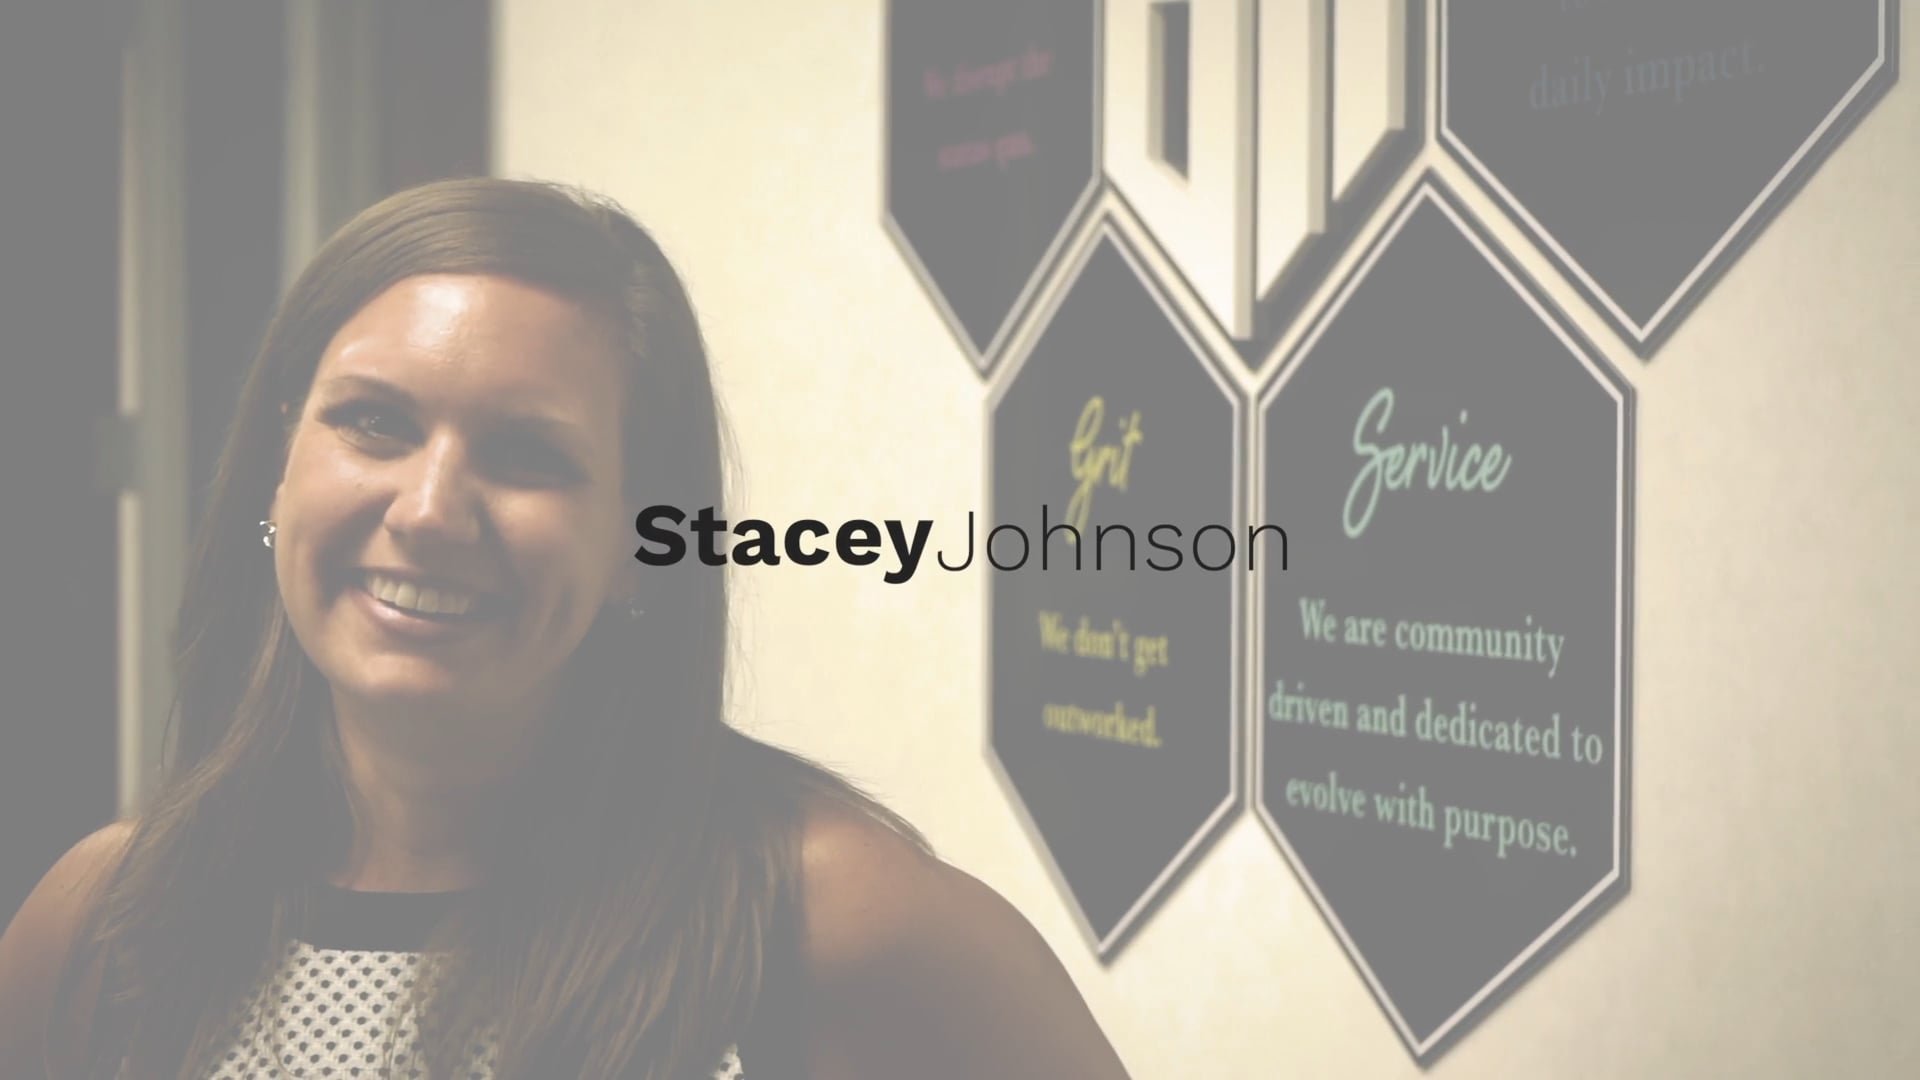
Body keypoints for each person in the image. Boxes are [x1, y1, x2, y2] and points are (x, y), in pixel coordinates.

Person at [0, 177, 1134, 1080]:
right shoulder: (106, 926)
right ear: (277, 472)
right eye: (375, 424)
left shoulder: (834, 930)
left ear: (644, 541)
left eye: (528, 455)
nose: (431, 509)